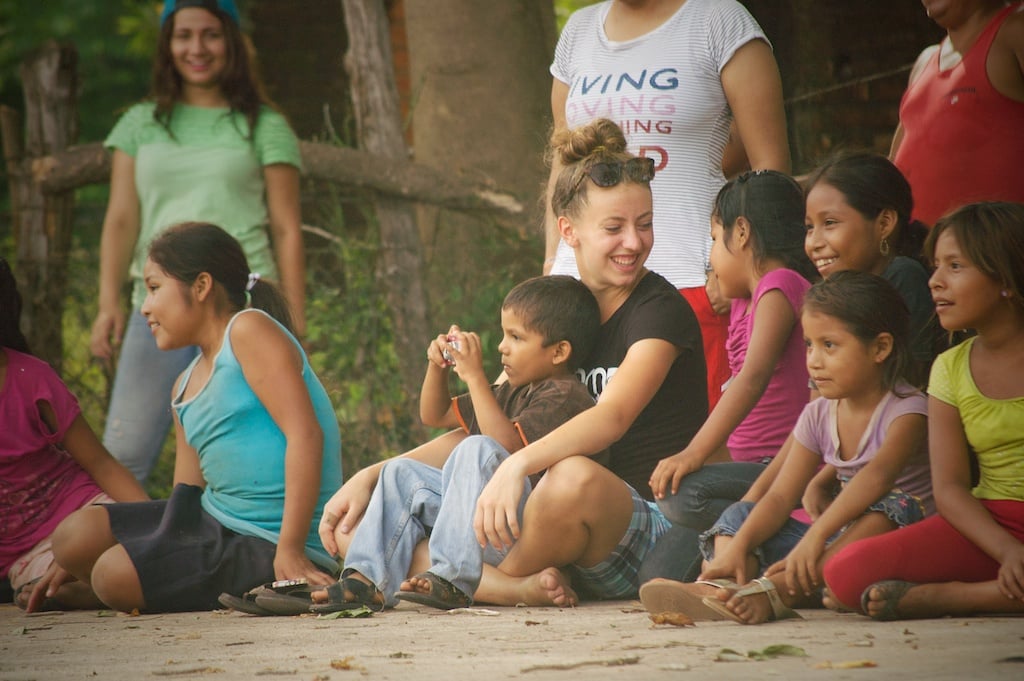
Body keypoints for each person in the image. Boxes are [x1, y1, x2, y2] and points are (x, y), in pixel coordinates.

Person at [318, 119, 707, 608]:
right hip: (538, 527)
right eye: (614, 227)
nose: (634, 241)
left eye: (644, 224)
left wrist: (515, 466)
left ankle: (476, 580)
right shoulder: (561, 311)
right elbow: (486, 421)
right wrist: (372, 474)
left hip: (630, 525)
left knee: (571, 474)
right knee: (369, 525)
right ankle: (488, 582)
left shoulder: (659, 312)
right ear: (569, 231)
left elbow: (611, 419)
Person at [47, 222, 341, 613]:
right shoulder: (182, 386)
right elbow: (185, 501)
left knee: (111, 575)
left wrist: (290, 551)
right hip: (213, 521)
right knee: (72, 536)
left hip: (269, 538)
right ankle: (110, 587)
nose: (144, 308)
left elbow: (306, 435)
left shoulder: (248, 331)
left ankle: (112, 587)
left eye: (154, 288)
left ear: (201, 287)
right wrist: (146, 547)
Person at [90, 0, 306, 483]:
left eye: (210, 34)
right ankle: (139, 551)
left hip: (241, 307)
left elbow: (287, 228)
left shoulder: (263, 125)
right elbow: (121, 218)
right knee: (123, 454)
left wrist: (295, 316)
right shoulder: (139, 123)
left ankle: (255, 551)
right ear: (167, 44)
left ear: (231, 40)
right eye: (183, 35)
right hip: (159, 305)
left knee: (246, 456)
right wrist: (108, 303)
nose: (197, 48)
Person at [641, 271, 933, 624]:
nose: (813, 360)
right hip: (829, 543)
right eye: (809, 344)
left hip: (893, 542)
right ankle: (723, 584)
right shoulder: (818, 413)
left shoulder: (907, 410)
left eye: (830, 345)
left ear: (880, 348)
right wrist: (740, 545)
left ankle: (775, 592)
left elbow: (876, 480)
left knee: (892, 507)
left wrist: (817, 537)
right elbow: (780, 496)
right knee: (743, 512)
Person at [544, 0, 791, 413]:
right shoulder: (578, 30)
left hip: (694, 281)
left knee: (687, 455)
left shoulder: (719, 19)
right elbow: (561, 162)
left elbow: (771, 171)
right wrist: (553, 260)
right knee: (569, 441)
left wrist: (750, 270)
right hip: (580, 292)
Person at [302, 276, 602, 613]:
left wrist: (475, 377)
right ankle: (365, 580)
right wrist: (438, 367)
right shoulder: (511, 391)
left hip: (522, 528)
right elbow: (436, 413)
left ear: (560, 351)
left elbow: (507, 453)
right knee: (400, 472)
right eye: (504, 334)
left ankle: (452, 578)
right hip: (482, 523)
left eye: (517, 337)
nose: (502, 346)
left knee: (476, 449)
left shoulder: (564, 396)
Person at [823, 202, 1024, 620]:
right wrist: (1006, 549)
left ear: (1005, 277)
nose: (935, 282)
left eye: (955, 266)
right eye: (935, 266)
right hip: (990, 525)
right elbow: (949, 489)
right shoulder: (950, 367)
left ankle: (951, 598)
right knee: (844, 573)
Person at [644, 170, 815, 573]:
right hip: (745, 471)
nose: (711, 257)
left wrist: (694, 453)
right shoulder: (743, 299)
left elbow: (752, 378)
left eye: (713, 239)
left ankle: (750, 548)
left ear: (741, 233)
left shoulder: (780, 286)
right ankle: (747, 548)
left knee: (684, 494)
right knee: (653, 575)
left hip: (780, 466)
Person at [0, 258, 149, 613]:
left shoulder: (29, 377)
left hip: (82, 510)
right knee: (38, 587)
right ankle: (86, 587)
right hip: (28, 550)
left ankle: (97, 579)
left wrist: (159, 524)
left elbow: (99, 462)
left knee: (134, 549)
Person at [805, 151, 941, 375]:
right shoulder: (829, 295)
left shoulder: (903, 277)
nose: (814, 243)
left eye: (829, 223)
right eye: (810, 227)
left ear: (884, 223)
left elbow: (908, 382)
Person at [890, 1, 1024, 227]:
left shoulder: (1014, 32)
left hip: (994, 253)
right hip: (920, 253)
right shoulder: (926, 61)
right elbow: (890, 170)